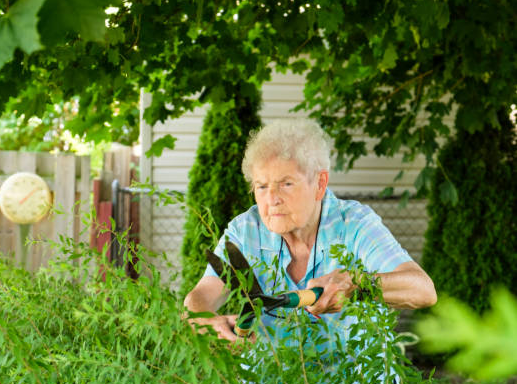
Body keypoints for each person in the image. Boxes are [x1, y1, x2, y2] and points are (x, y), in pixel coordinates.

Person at [183, 119, 437, 345]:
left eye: (286, 184)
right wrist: (206, 322)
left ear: (320, 184)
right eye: (261, 186)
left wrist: (357, 284)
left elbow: (423, 290)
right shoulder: (245, 230)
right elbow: (200, 296)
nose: (272, 198)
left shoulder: (354, 224)